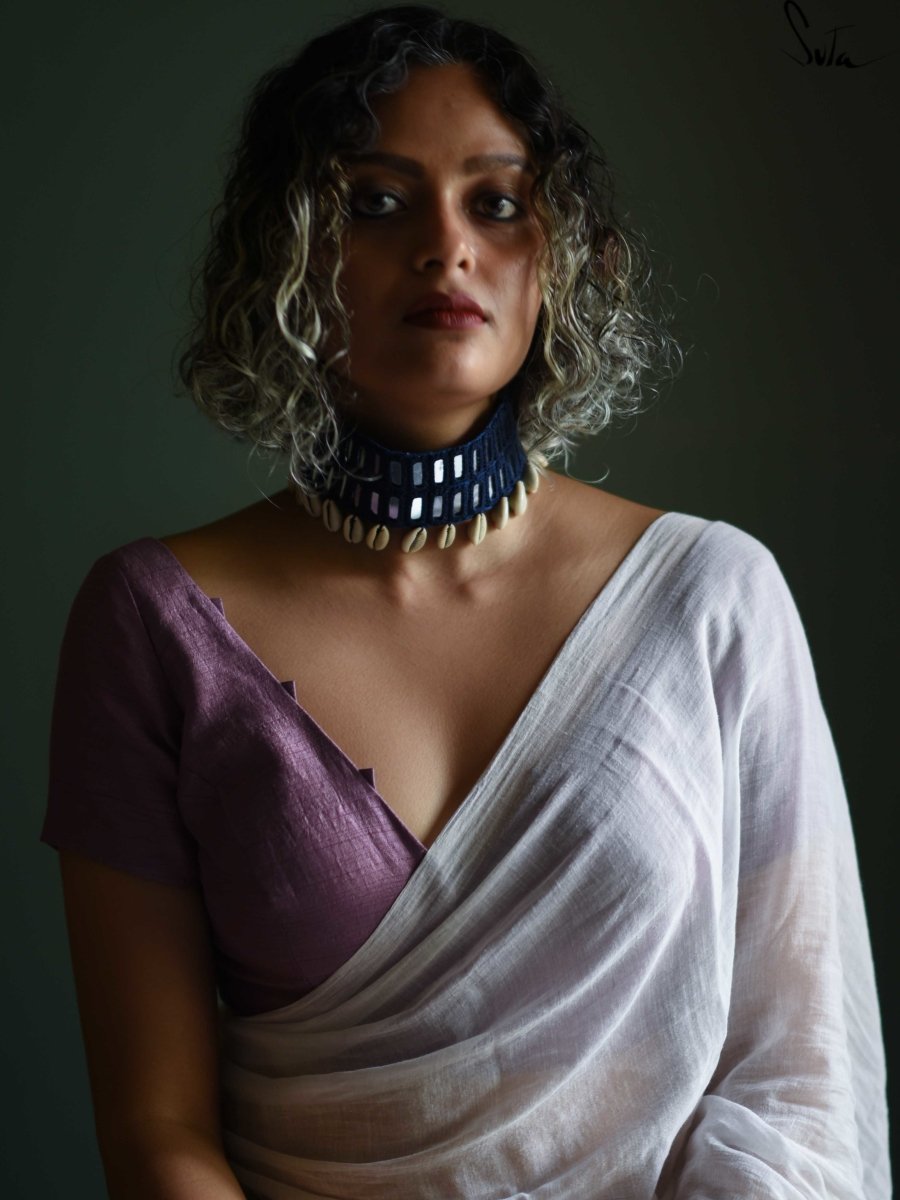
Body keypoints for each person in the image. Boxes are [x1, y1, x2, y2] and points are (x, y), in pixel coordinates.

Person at [42, 6, 889, 1199]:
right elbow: (158, 1131)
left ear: (558, 252)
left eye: (495, 202)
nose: (446, 247)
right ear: (287, 254)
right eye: (376, 202)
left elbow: (803, 1082)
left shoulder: (713, 597)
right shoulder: (152, 618)